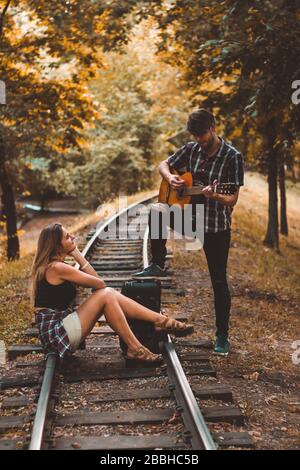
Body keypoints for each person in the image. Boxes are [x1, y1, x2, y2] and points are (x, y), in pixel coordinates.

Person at [133, 109, 244, 356]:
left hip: (216, 226)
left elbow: (233, 198)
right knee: (157, 210)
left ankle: (222, 337)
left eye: (203, 134)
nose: (201, 140)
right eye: (197, 136)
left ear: (213, 126)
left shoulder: (232, 157)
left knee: (218, 281)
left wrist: (214, 194)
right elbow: (163, 164)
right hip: (190, 220)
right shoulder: (192, 149)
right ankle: (158, 264)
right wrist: (170, 177)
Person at [31, 223, 193, 365]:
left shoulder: (54, 266)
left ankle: (158, 324)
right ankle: (148, 334)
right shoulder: (57, 268)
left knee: (108, 295)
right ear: (58, 246)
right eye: (67, 237)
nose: (72, 237)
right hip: (57, 334)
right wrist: (77, 255)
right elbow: (99, 283)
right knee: (107, 294)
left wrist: (75, 254)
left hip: (60, 328)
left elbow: (98, 285)